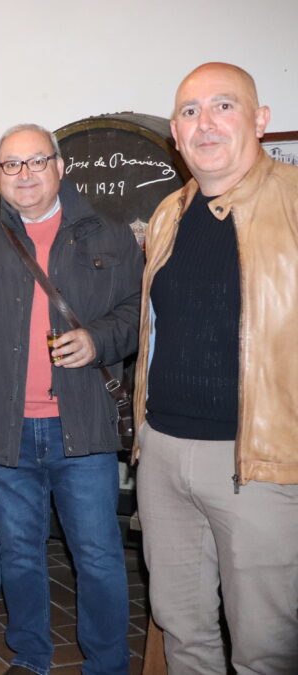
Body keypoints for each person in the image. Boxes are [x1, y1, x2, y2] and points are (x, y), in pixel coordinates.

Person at [0, 124, 142, 675]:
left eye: (35, 162)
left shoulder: (109, 235)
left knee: (96, 558)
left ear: (60, 167)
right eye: (10, 165)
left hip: (83, 428)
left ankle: (108, 664)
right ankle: (31, 656)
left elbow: (135, 317)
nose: (23, 175)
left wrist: (98, 340)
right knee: (18, 555)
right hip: (4, 430)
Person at [133, 62, 298, 674]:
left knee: (266, 646)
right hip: (165, 452)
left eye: (223, 106)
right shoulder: (169, 213)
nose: (205, 123)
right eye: (190, 111)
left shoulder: (294, 204)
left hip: (258, 463)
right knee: (182, 630)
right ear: (175, 135)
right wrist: (146, 438)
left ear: (260, 120)